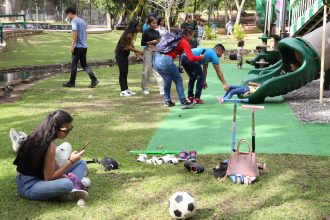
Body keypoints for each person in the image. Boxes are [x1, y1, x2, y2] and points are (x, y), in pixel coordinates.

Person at [13, 110, 88, 201]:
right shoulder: (49, 146)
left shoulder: (40, 137)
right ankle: (71, 187)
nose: (68, 132)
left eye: (70, 129)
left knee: (80, 163)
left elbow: (49, 165)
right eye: (66, 130)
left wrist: (68, 166)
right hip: (29, 186)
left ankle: (73, 184)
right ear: (55, 128)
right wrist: (71, 162)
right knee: (67, 184)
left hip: (39, 177)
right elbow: (49, 177)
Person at [153, 28, 204, 109]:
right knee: (178, 80)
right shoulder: (184, 42)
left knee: (167, 80)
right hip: (165, 60)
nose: (192, 38)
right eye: (192, 36)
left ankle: (167, 101)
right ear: (188, 35)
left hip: (156, 59)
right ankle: (183, 102)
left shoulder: (175, 38)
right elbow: (191, 58)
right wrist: (200, 57)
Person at [63, 7, 99, 88]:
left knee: (74, 65)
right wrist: (84, 43)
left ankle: (72, 83)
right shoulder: (82, 21)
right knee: (84, 64)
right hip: (84, 46)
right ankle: (94, 80)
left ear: (70, 13)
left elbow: (75, 35)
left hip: (78, 47)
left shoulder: (74, 21)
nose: (67, 16)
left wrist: (72, 46)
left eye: (67, 14)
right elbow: (85, 33)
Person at [115, 20, 144, 97]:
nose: (139, 28)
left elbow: (131, 44)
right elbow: (127, 47)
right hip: (120, 55)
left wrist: (136, 53)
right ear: (134, 27)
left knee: (125, 72)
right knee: (123, 73)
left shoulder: (131, 34)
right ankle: (122, 91)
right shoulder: (128, 35)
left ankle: (126, 89)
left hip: (124, 56)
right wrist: (138, 51)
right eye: (138, 26)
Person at [141, 16, 164, 95]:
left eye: (156, 23)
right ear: (149, 23)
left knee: (158, 69)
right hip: (148, 51)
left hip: (156, 51)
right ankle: (144, 88)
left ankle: (161, 89)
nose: (155, 24)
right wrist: (151, 42)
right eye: (153, 23)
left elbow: (158, 42)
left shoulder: (157, 32)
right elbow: (142, 43)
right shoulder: (146, 32)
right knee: (147, 69)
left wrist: (158, 42)